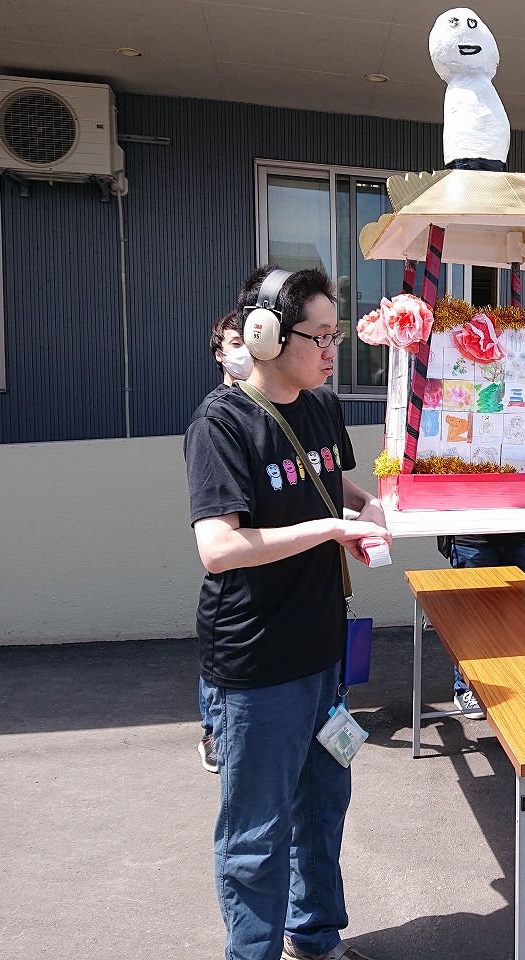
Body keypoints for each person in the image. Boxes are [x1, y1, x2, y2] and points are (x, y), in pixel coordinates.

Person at [185, 265, 390, 960]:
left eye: (337, 334)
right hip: (258, 666)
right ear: (267, 335)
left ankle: (316, 935)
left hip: (324, 656)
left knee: (323, 808)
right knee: (256, 834)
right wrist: (331, 530)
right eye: (321, 336)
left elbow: (327, 475)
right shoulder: (221, 422)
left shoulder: (323, 406)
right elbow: (218, 547)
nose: (333, 350)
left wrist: (365, 507)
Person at [196, 312, 255, 774]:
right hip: (235, 584)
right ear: (219, 352)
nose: (244, 351)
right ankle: (214, 732)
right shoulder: (216, 420)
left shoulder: (274, 406)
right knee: (223, 664)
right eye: (234, 342)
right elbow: (216, 546)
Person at [444, 531, 525, 717]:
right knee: (472, 622)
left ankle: (514, 684)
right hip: (471, 541)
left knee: (521, 621)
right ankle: (466, 689)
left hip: (515, 538)